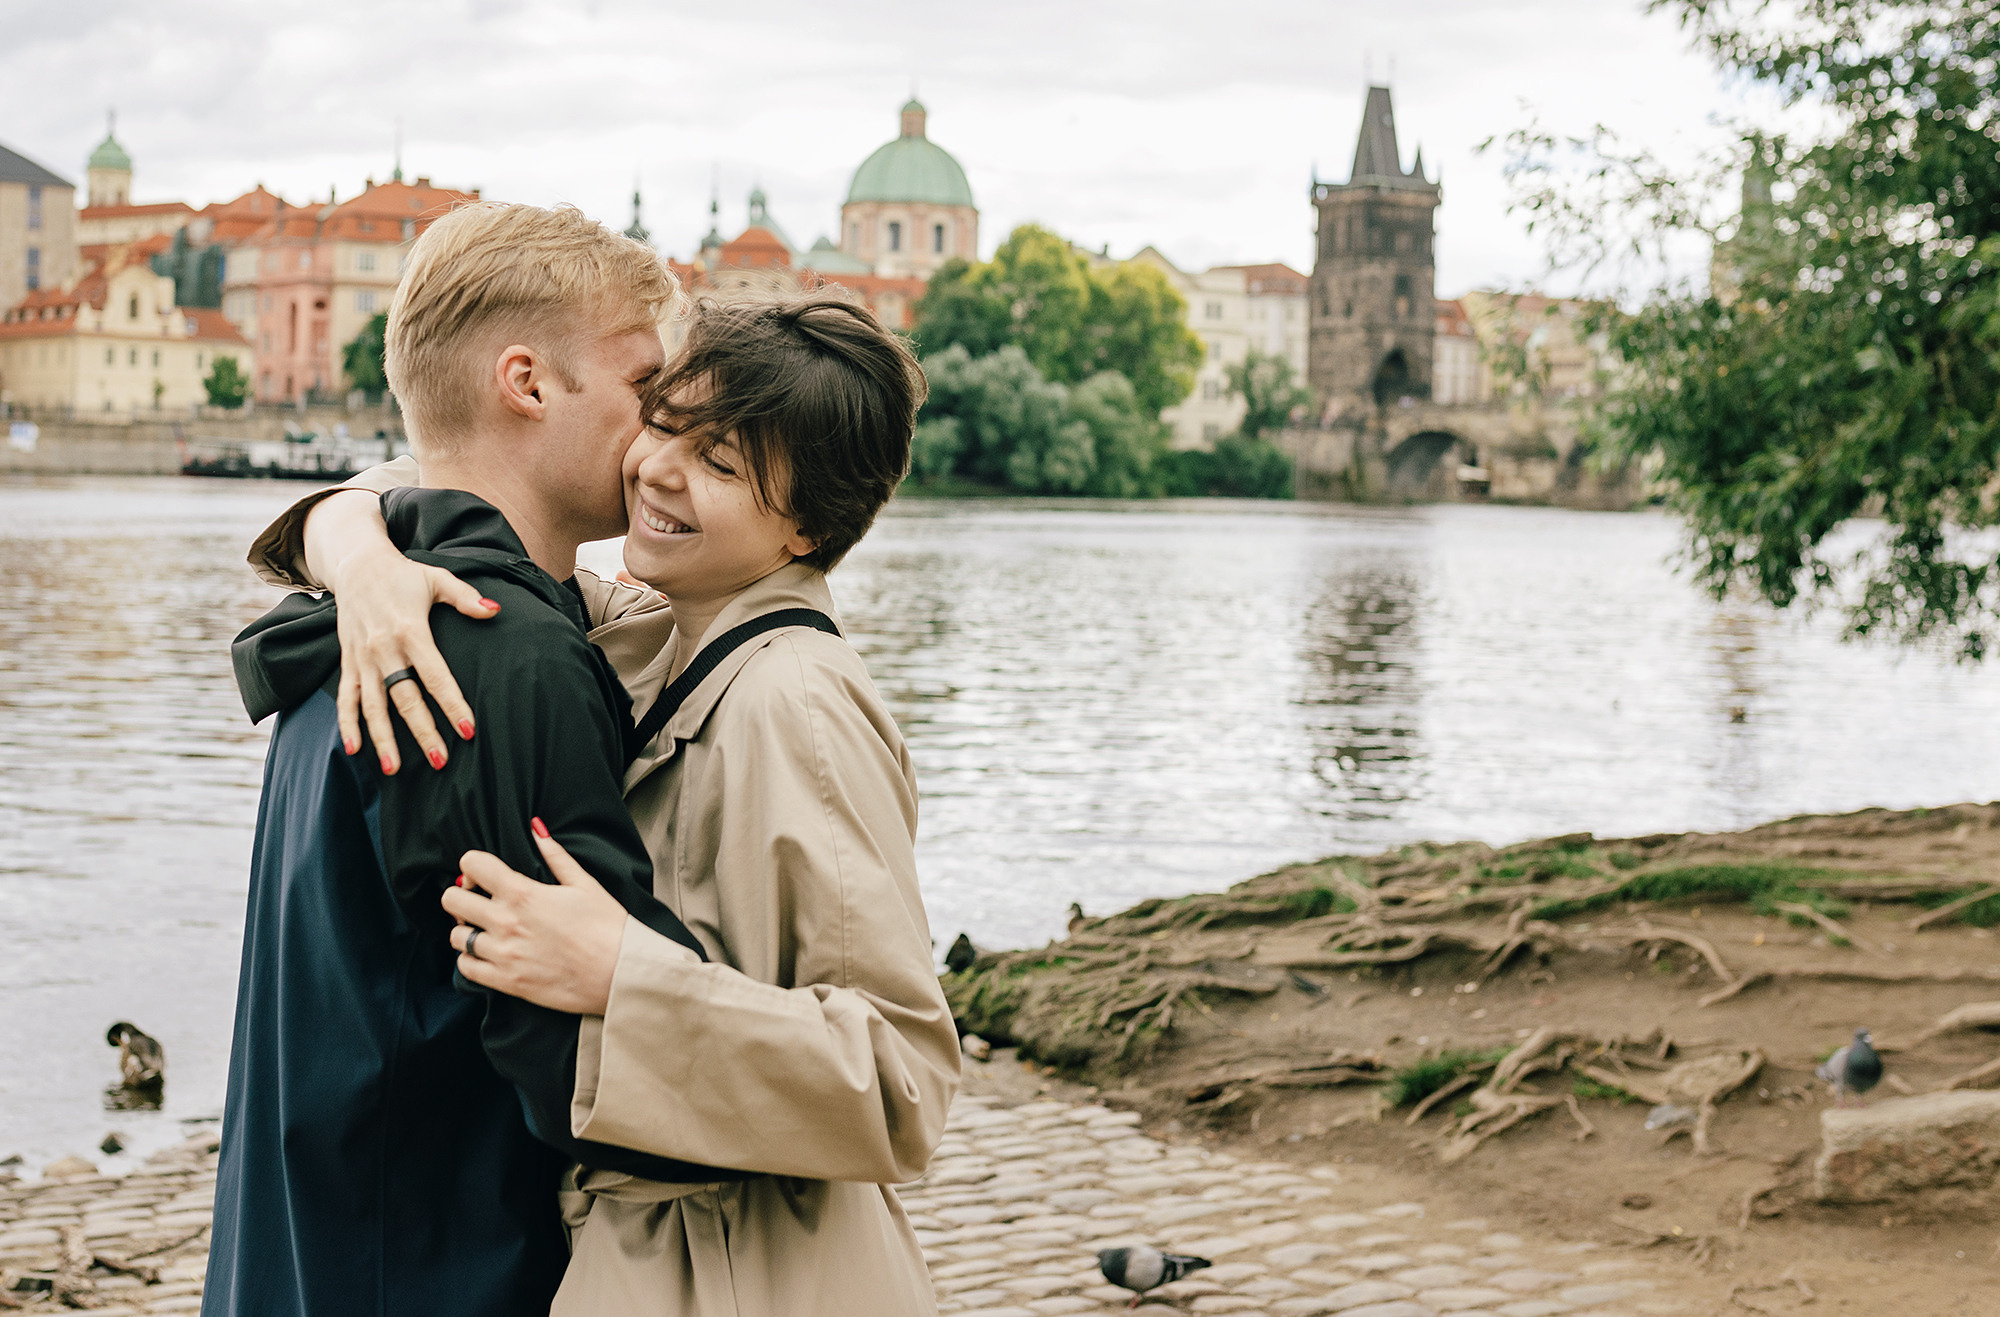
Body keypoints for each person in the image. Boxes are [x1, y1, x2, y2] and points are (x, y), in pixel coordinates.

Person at [246, 293, 958, 1315]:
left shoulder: (796, 699)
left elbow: (899, 1082)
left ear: (805, 525)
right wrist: (354, 557)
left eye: (720, 465)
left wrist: (624, 972)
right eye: (664, 422)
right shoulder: (651, 629)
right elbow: (448, 480)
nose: (660, 470)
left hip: (750, 1274)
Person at [206, 202, 748, 1317]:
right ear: (526, 383)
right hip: (444, 1270)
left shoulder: (351, 617)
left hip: (307, 1253)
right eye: (645, 384)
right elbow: (588, 1066)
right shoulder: (499, 650)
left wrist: (347, 534)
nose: (664, 430)